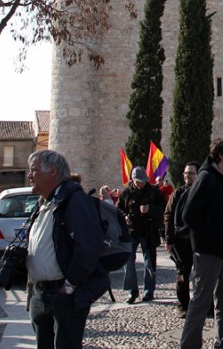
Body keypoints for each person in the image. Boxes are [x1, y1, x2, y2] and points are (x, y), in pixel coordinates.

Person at [25, 149, 109, 349]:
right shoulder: (44, 203)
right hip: (40, 292)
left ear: (52, 171)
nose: (29, 175)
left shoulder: (75, 200)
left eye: (34, 170)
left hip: (63, 294)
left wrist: (70, 284)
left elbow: (88, 246)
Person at [180, 137, 223, 349]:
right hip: (208, 254)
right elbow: (189, 215)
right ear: (221, 155)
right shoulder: (206, 178)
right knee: (200, 303)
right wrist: (213, 237)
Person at [118, 166, 165, 303]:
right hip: (131, 232)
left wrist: (150, 209)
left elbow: (162, 210)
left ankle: (148, 291)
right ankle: (132, 291)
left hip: (148, 231)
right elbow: (119, 208)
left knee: (149, 262)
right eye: (138, 181)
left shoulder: (155, 192)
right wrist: (125, 216)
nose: (141, 183)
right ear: (132, 180)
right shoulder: (126, 192)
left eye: (143, 181)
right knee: (129, 261)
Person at [165, 162, 199, 318]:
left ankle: (205, 305)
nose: (187, 176)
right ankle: (182, 305)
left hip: (198, 240)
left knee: (203, 275)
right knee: (182, 275)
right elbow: (168, 216)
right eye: (186, 173)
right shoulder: (177, 194)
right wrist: (169, 238)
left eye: (191, 173)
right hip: (181, 240)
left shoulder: (202, 193)